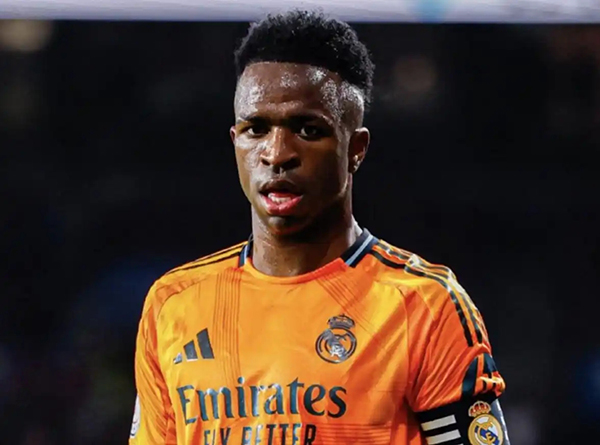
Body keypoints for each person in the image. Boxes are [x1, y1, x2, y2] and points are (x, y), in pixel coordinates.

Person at [130, 9, 510, 445]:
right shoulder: (174, 304)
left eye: (308, 130)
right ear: (235, 141)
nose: (277, 154)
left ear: (356, 149)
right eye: (256, 129)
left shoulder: (423, 306)